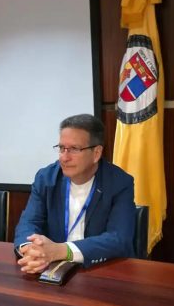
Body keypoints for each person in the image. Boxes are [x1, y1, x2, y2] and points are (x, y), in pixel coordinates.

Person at [14, 114, 136, 274]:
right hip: (52, 268)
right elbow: (29, 222)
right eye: (61, 148)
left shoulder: (119, 183)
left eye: (74, 149)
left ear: (96, 153)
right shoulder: (46, 178)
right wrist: (31, 249)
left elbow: (118, 239)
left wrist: (61, 251)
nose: (64, 158)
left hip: (100, 270)